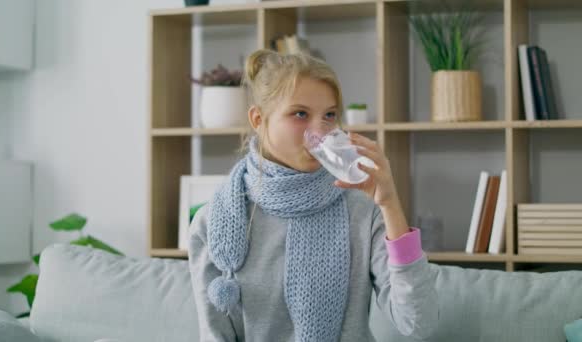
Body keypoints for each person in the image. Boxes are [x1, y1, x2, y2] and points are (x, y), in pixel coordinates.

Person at [188, 49, 439, 342]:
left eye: (329, 115)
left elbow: (419, 323)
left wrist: (390, 205)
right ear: (258, 119)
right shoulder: (214, 223)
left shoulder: (362, 210)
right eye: (300, 114)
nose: (318, 131)